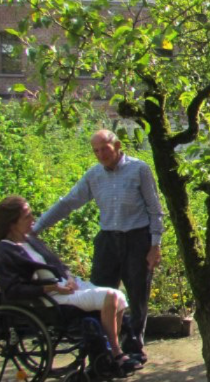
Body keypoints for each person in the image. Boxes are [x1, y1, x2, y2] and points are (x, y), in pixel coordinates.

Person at [33, 129, 164, 362]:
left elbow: (155, 210)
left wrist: (155, 245)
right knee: (101, 294)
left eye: (104, 148)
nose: (100, 154)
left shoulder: (139, 169)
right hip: (107, 241)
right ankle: (102, 348)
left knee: (137, 295)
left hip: (137, 239)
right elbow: (68, 202)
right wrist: (36, 228)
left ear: (117, 145)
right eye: (96, 150)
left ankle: (134, 346)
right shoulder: (94, 176)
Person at [0, 196, 136, 366]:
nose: (33, 220)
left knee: (119, 297)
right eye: (27, 216)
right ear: (12, 223)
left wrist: (70, 278)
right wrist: (53, 288)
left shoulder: (31, 241)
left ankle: (108, 349)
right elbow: (14, 289)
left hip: (65, 287)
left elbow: (57, 265)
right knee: (111, 296)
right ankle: (115, 352)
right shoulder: (5, 252)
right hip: (51, 299)